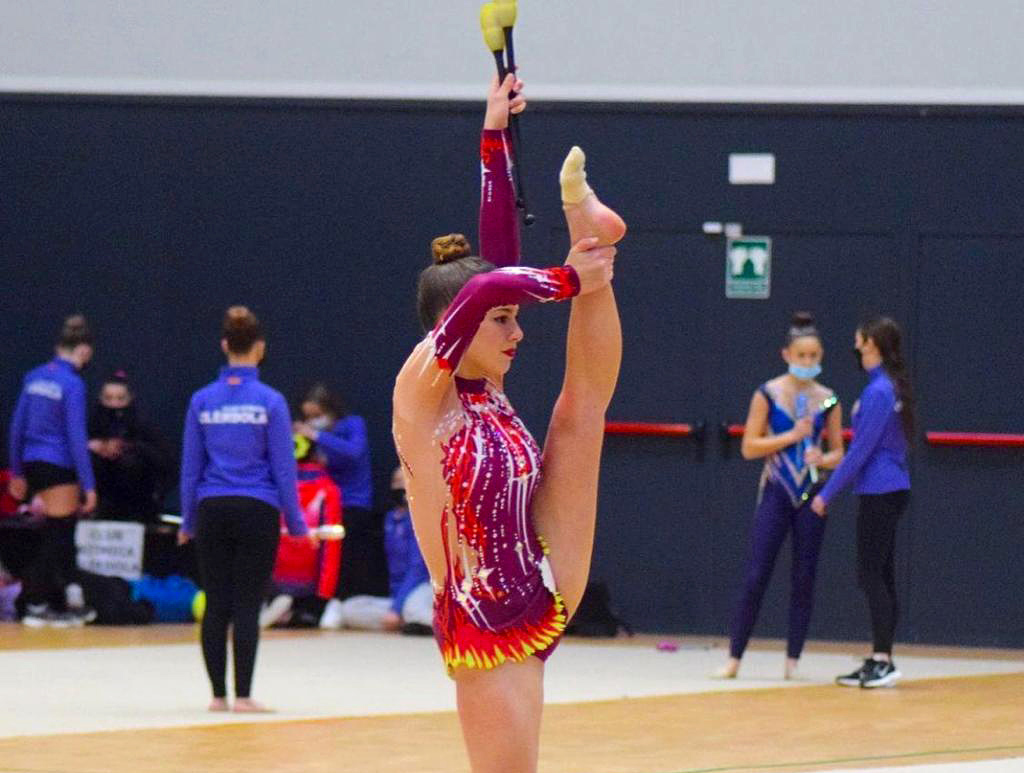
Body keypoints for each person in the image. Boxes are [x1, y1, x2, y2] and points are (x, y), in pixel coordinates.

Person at [392, 74, 625, 773]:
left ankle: (593, 236)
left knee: (580, 416)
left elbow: (493, 267)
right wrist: (563, 281)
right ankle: (592, 264)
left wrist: (493, 136)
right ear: (451, 326)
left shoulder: (486, 383)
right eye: (502, 323)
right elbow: (490, 285)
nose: (517, 332)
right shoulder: (419, 395)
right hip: (486, 615)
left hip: (541, 568)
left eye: (517, 320)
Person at [178, 306, 314, 713]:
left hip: (213, 508)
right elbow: (283, 469)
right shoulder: (270, 402)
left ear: (224, 346)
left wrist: (188, 519)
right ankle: (245, 696)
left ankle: (217, 696)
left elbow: (191, 468)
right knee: (246, 604)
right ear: (260, 348)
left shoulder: (202, 400)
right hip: (257, 509)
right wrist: (297, 522)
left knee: (216, 601)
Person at [716, 312, 845, 680]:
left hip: (810, 491)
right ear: (786, 354)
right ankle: (735, 657)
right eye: (802, 356)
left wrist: (824, 458)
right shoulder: (768, 393)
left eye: (814, 356)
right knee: (757, 574)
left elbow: (839, 453)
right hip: (776, 489)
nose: (808, 363)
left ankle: (793, 660)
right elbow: (749, 446)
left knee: (804, 576)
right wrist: (789, 437)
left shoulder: (828, 399)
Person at [812, 317, 913, 689]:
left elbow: (860, 452)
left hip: (879, 492)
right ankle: (878, 656)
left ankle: (883, 659)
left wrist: (825, 494)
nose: (854, 347)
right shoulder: (887, 388)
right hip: (889, 488)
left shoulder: (878, 392)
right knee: (879, 575)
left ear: (871, 344)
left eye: (858, 341)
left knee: (872, 575)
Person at [8, 315, 97, 626]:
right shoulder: (72, 384)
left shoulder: (34, 377)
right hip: (57, 463)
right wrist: (89, 485)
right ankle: (33, 601)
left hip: (33, 461)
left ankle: (60, 601)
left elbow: (17, 426)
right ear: (83, 351)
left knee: (57, 533)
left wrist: (17, 470)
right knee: (59, 535)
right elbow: (76, 435)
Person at [318, 466, 433, 633]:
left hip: (420, 588)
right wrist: (395, 607)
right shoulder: (389, 519)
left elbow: (417, 569)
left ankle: (423, 621)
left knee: (413, 605)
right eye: (396, 482)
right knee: (351, 608)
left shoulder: (421, 520)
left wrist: (396, 608)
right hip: (396, 594)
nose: (399, 486)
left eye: (405, 481)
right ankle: (407, 621)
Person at [293, 383, 381, 598]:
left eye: (317, 415)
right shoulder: (313, 434)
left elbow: (353, 452)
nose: (313, 420)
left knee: (350, 560)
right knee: (324, 562)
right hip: (323, 508)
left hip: (353, 504)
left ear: (329, 409)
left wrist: (315, 435)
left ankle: (347, 603)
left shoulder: (353, 424)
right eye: (309, 417)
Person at [260, 435, 343, 629]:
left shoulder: (273, 484)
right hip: (308, 572)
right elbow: (331, 546)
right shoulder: (328, 488)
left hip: (275, 570)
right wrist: (325, 590)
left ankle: (280, 608)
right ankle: (293, 611)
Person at [88, 370, 174, 522]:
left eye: (120, 398)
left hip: (139, 510)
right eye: (108, 398)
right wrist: (91, 446)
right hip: (98, 508)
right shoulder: (90, 427)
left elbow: (166, 463)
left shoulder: (144, 427)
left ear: (130, 398)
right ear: (100, 398)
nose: (114, 404)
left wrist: (129, 447)